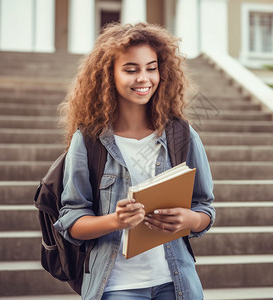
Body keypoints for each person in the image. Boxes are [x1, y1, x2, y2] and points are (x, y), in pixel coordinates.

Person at [54, 22, 215, 300]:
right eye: (131, 69)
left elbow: (205, 209)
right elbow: (72, 221)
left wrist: (189, 218)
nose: (144, 78)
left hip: (176, 284)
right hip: (116, 286)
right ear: (109, 75)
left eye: (151, 68)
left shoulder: (182, 135)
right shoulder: (89, 141)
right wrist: (115, 221)